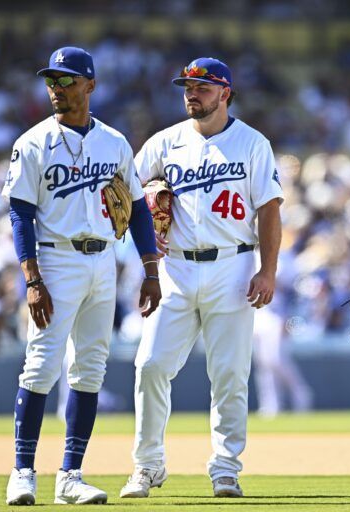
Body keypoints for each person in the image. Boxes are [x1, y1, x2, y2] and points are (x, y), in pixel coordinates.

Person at [2, 46, 161, 506]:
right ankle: (23, 472)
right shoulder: (31, 142)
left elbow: (137, 212)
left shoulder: (113, 142)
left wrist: (150, 269)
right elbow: (20, 215)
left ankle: (70, 475)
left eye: (66, 80)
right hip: (55, 260)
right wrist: (32, 279)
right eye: (52, 81)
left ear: (90, 85)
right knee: (41, 366)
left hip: (102, 261)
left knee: (89, 370)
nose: (56, 88)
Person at [119, 57, 283, 499]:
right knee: (150, 365)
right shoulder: (164, 143)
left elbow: (269, 209)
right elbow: (126, 197)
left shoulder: (252, 143)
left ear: (225, 93)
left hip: (233, 264)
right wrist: (146, 206)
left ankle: (225, 467)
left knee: (230, 374)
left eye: (203, 87)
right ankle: (147, 465)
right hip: (175, 267)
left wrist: (267, 270)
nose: (192, 93)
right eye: (188, 86)